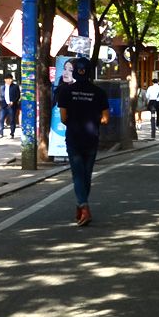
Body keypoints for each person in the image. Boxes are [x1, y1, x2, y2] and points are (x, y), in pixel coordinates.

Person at [55, 57, 109, 226]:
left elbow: (63, 118)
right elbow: (105, 119)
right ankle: (81, 206)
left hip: (73, 138)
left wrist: (74, 121)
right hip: (92, 138)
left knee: (78, 174)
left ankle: (83, 207)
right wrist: (93, 119)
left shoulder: (65, 91)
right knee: (86, 175)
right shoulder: (99, 93)